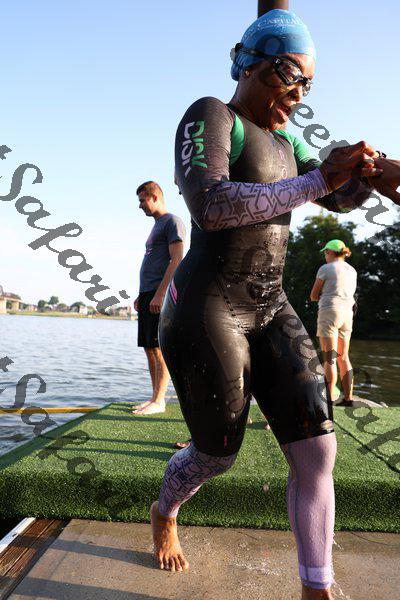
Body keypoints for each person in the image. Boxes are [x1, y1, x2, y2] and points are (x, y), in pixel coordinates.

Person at [150, 8, 399, 599]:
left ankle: (317, 587)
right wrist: (320, 181)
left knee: (317, 450)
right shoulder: (212, 114)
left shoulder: (289, 141)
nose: (300, 93)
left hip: (269, 305)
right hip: (207, 309)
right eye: (291, 75)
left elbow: (336, 198)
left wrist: (372, 177)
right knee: (217, 455)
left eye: (309, 83)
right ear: (249, 63)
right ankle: (165, 510)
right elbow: (210, 204)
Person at [132, 181, 185, 415]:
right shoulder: (157, 226)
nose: (140, 205)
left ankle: (159, 401)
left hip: (159, 294)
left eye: (142, 200)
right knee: (149, 347)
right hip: (148, 293)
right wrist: (142, 294)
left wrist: (160, 294)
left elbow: (177, 259)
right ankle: (153, 397)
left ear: (155, 197)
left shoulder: (172, 221)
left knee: (158, 347)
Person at [310, 240, 357, 407]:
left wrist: (321, 297)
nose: (325, 255)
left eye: (325, 252)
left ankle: (328, 400)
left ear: (330, 252)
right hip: (347, 314)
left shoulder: (326, 268)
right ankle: (348, 398)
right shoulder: (352, 270)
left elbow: (313, 295)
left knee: (330, 358)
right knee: (343, 357)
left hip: (330, 312)